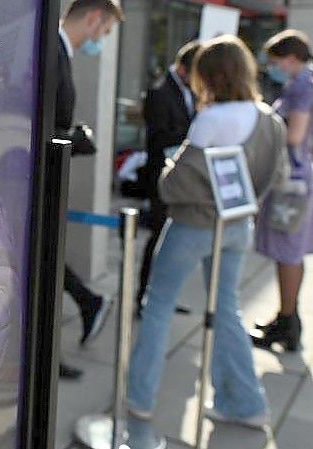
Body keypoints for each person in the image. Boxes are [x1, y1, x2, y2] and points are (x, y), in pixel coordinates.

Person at [127, 36, 285, 437]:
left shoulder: (211, 120)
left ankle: (140, 401)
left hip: (193, 225)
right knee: (228, 309)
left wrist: (170, 167)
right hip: (238, 225)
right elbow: (270, 180)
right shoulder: (270, 119)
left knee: (158, 305)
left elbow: (171, 186)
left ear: (210, 76)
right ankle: (247, 403)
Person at [55, 0, 124, 378]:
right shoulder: (52, 51)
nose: (103, 39)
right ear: (95, 18)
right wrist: (71, 138)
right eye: (106, 31)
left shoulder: (61, 52)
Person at [252, 30, 313, 352]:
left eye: (275, 62)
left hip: (292, 185)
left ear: (291, 59)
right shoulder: (303, 83)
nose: (272, 68)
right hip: (298, 181)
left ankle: (288, 324)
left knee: (288, 251)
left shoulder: (304, 86)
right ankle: (286, 317)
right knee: (290, 251)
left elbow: (295, 134)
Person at [138, 41, 200, 316]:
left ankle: (165, 296)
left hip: (182, 178)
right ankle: (142, 297)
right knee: (157, 237)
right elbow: (158, 138)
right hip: (162, 178)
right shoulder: (160, 92)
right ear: (184, 68)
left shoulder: (191, 92)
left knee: (173, 241)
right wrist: (193, 139)